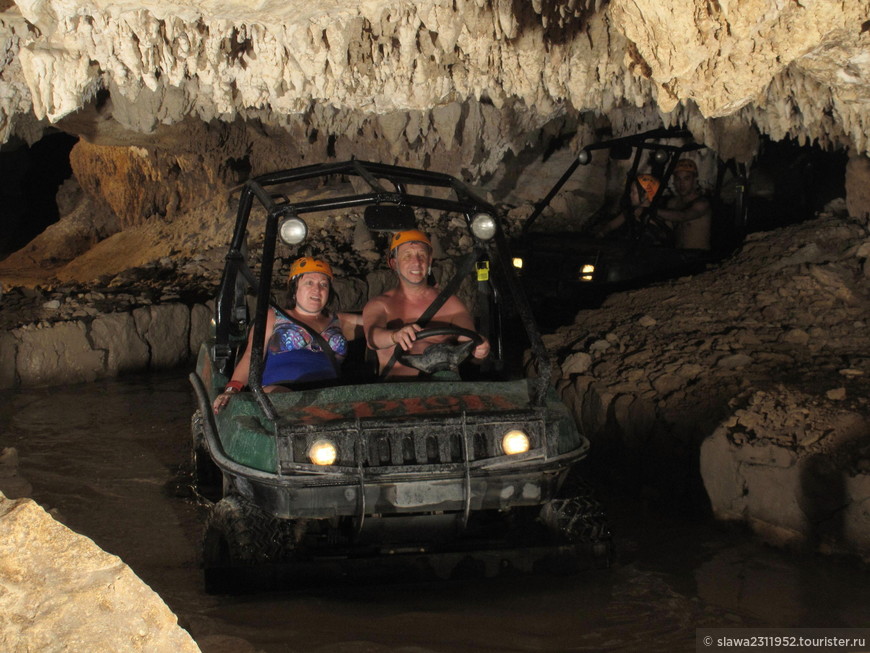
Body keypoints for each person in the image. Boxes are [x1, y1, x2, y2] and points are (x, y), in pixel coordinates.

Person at [213, 257, 361, 413]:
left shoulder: (340, 321)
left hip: (330, 393)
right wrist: (232, 389)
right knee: (286, 401)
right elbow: (251, 356)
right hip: (282, 390)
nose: (317, 290)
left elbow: (380, 320)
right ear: (294, 288)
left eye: (323, 284)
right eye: (309, 283)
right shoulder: (273, 317)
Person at [362, 229, 490, 378]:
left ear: (429, 260)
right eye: (407, 256)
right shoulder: (380, 305)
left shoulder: (451, 304)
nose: (416, 262)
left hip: (445, 389)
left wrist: (480, 349)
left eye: (421, 255)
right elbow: (373, 339)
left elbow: (470, 346)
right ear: (394, 263)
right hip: (397, 393)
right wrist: (395, 336)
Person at [656, 158, 712, 250]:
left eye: (686, 179)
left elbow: (683, 216)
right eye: (678, 179)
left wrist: (653, 210)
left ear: (694, 180)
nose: (681, 184)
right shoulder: (672, 203)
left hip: (699, 257)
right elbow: (666, 232)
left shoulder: (702, 203)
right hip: (679, 256)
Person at [592, 174, 660, 238]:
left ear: (645, 196)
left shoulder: (658, 217)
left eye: (633, 192)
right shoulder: (630, 211)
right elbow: (610, 225)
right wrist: (602, 233)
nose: (630, 195)